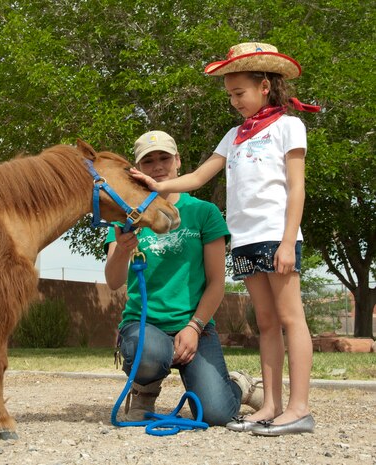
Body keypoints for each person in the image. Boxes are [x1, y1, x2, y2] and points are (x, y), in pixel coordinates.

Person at [130, 43, 320, 436]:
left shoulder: (289, 126)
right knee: (266, 323)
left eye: (239, 93)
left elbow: (297, 188)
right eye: (230, 95)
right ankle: (270, 404)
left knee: (289, 317)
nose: (234, 101)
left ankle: (299, 408)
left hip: (276, 236)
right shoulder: (234, 135)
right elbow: (198, 177)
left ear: (264, 86)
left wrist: (288, 242)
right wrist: (154, 184)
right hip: (246, 240)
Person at [105, 130, 262, 427]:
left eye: (164, 157)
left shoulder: (204, 212)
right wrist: (122, 252)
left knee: (217, 414)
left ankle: (240, 386)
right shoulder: (126, 214)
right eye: (148, 161)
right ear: (137, 170)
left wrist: (194, 326)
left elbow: (217, 282)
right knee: (150, 351)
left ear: (178, 160)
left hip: (196, 326)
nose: (158, 166)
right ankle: (144, 390)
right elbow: (114, 281)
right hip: (144, 325)